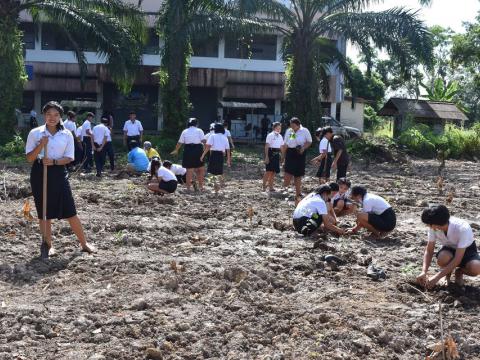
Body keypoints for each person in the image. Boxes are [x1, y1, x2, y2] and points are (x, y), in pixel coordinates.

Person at [25, 101, 94, 257]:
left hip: (58, 172)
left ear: (60, 117)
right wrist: (41, 145)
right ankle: (48, 245)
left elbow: (69, 157)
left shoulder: (67, 134)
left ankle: (84, 243)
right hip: (39, 172)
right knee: (44, 212)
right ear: (44, 115)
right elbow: (29, 158)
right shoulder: (35, 133)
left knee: (70, 209)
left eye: (56, 115)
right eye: (49, 114)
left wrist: (55, 162)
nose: (52, 118)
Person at [417, 205, 480, 288]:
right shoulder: (433, 228)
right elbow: (429, 250)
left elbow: (457, 259)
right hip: (449, 248)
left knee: (476, 268)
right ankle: (447, 276)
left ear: (436, 224)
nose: (428, 226)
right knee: (443, 258)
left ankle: (459, 272)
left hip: (467, 250)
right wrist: (424, 271)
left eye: (428, 224)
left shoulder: (462, 228)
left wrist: (436, 277)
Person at [282, 117, 312, 203]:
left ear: (298, 125)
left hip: (300, 153)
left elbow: (309, 141)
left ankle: (298, 193)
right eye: (291, 126)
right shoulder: (290, 131)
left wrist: (303, 148)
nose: (292, 127)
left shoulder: (304, 131)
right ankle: (284, 189)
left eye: (293, 126)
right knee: (288, 172)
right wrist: (283, 156)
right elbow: (287, 143)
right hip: (290, 152)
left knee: (298, 174)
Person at [171, 118, 206, 191]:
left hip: (188, 150)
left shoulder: (185, 131)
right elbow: (204, 141)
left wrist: (176, 150)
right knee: (200, 169)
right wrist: (206, 150)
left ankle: (188, 188)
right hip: (198, 150)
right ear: (196, 124)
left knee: (189, 170)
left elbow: (180, 142)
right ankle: (201, 187)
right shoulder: (199, 130)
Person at [262, 122, 284, 192]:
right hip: (270, 152)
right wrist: (266, 157)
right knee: (268, 171)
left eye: (280, 128)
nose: (279, 129)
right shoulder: (270, 135)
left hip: (277, 153)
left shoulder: (280, 136)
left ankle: (271, 187)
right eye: (277, 128)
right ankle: (264, 186)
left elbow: (281, 147)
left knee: (274, 172)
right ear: (274, 128)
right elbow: (266, 146)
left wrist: (283, 156)